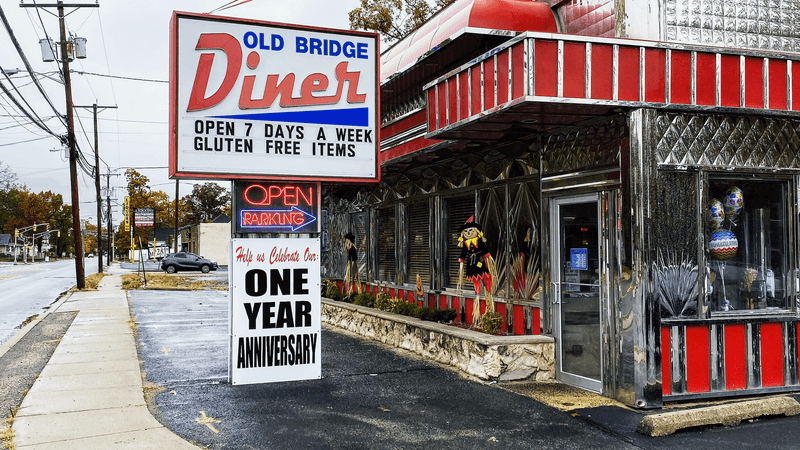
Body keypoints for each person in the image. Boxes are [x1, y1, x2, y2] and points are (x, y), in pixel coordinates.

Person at [457, 217, 497, 325]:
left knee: (485, 277)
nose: (468, 233)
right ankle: (478, 300)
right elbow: (463, 255)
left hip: (480, 261)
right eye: (466, 231)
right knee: (476, 283)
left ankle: (489, 300)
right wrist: (461, 263)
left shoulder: (479, 241)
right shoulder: (466, 244)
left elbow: (485, 252)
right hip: (471, 264)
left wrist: (489, 259)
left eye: (471, 230)